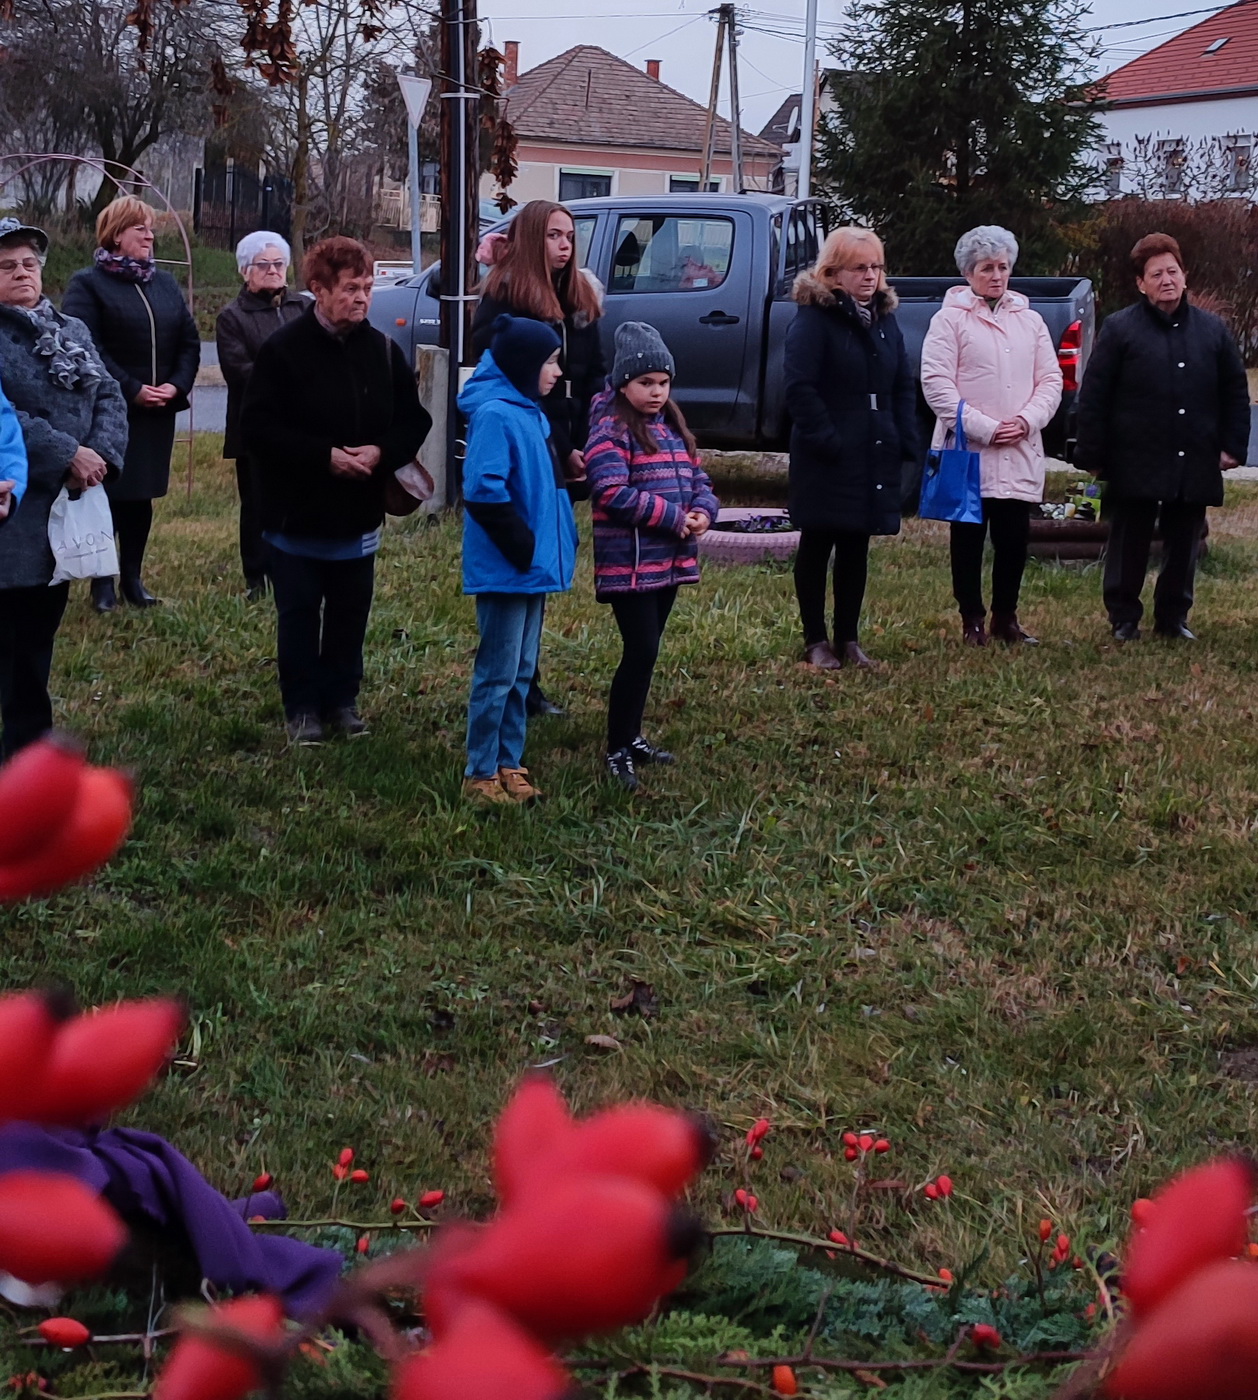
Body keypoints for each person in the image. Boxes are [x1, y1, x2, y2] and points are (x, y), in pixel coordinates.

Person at [240, 236, 431, 745]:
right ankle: (302, 708)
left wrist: (381, 452)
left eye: (366, 287)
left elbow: (415, 420)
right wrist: (322, 455)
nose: (361, 297)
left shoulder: (382, 350)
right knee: (299, 614)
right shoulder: (283, 350)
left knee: (349, 614)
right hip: (296, 516)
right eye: (350, 288)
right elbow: (256, 428)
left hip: (357, 515)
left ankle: (342, 702)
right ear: (319, 290)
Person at [1075, 233, 1250, 642]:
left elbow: (1235, 392)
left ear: (1185, 276)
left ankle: (1173, 617)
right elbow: (1095, 395)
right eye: (1156, 274)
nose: (1166, 280)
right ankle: (1124, 617)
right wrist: (1092, 454)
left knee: (1185, 538)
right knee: (1130, 537)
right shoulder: (1120, 329)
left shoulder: (1213, 330)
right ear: (1141, 283)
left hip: (1195, 453)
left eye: (1173, 271)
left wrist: (1233, 446)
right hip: (1135, 455)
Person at [472, 200, 606, 718]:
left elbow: (594, 374)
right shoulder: (505, 299)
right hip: (530, 438)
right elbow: (504, 379)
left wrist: (587, 441)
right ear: (531, 239)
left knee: (545, 559)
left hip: (571, 431)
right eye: (553, 235)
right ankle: (511, 685)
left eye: (569, 235)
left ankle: (527, 679)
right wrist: (558, 446)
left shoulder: (581, 297)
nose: (564, 245)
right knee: (521, 558)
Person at [0, 217, 128, 757]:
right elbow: (6, 416)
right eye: (7, 266)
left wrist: (100, 455)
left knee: (38, 631)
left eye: (29, 263)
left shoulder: (71, 329)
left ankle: (29, 747)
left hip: (66, 505)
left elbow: (110, 393)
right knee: (10, 633)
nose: (21, 273)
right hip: (13, 504)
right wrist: (67, 453)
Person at [585, 322, 719, 792]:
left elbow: (700, 480)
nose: (657, 392)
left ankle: (632, 736)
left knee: (649, 650)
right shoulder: (610, 429)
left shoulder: (672, 427)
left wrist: (702, 511)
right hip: (630, 565)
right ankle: (617, 747)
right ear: (624, 383)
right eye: (646, 382)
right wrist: (671, 517)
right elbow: (609, 491)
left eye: (663, 382)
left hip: (668, 562)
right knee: (640, 650)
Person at [459, 314, 582, 807]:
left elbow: (544, 488)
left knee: (522, 671)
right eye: (549, 362)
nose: (557, 371)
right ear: (522, 365)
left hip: (533, 570)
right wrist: (523, 547)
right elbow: (483, 491)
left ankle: (510, 761)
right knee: (498, 672)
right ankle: (480, 772)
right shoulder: (496, 414)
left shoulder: (531, 412)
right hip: (510, 568)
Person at [920, 226, 1063, 647]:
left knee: (1014, 539)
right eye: (987, 268)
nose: (996, 276)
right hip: (970, 450)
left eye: (1002, 267)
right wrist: (985, 427)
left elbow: (1050, 380)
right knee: (968, 539)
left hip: (1019, 446)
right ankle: (972, 619)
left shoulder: (1031, 321)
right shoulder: (949, 320)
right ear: (968, 273)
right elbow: (937, 385)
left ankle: (1006, 618)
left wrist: (1027, 421)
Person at [784, 226, 917, 670]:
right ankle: (815, 639)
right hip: (828, 451)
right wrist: (828, 439)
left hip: (872, 446)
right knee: (818, 542)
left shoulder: (884, 319)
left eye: (876, 267)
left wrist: (902, 436)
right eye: (860, 268)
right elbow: (800, 388)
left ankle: (849, 639)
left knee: (856, 545)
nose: (870, 276)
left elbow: (901, 382)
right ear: (834, 272)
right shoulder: (813, 319)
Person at [62, 196, 200, 613]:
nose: (150, 236)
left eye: (151, 228)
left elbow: (189, 340)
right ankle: (102, 582)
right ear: (115, 234)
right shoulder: (87, 284)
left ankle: (133, 579)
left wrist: (176, 385)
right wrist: (131, 388)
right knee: (108, 494)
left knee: (141, 497)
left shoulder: (164, 283)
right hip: (110, 411)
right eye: (140, 228)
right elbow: (85, 346)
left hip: (156, 412)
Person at [215, 230, 307, 600]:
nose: (273, 270)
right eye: (263, 264)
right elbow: (241, 372)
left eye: (279, 263)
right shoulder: (232, 317)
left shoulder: (304, 307)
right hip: (256, 427)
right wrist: (295, 379)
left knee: (299, 500)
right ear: (245, 271)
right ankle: (257, 579)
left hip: (304, 425)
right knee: (257, 505)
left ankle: (295, 570)